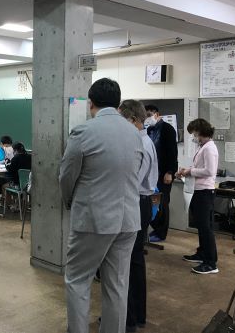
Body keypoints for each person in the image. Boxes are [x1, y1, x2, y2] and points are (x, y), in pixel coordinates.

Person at [59, 78, 143, 333]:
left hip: (94, 220)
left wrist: (69, 201)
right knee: (117, 285)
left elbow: (67, 176)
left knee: (78, 280)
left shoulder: (83, 132)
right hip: (128, 220)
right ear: (118, 103)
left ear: (91, 103)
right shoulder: (135, 133)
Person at [119, 100, 158, 332]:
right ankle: (135, 315)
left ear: (133, 120)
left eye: (122, 120)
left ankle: (129, 318)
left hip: (137, 202)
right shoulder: (144, 141)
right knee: (134, 261)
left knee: (130, 262)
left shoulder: (141, 144)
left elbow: (133, 180)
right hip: (140, 202)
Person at [177, 118, 219, 275]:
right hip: (198, 190)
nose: (194, 137)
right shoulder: (203, 147)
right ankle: (202, 253)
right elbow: (199, 167)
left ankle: (211, 263)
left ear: (201, 132)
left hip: (205, 192)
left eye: (194, 133)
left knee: (206, 228)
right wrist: (187, 170)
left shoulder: (209, 148)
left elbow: (210, 171)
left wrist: (190, 171)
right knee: (201, 226)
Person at [145, 104, 178, 243]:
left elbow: (172, 152)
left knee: (162, 203)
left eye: (149, 115)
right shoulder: (149, 129)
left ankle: (161, 232)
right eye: (145, 115)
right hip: (151, 173)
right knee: (153, 202)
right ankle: (155, 229)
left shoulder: (167, 129)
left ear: (157, 114)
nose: (147, 118)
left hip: (164, 173)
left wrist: (170, 172)